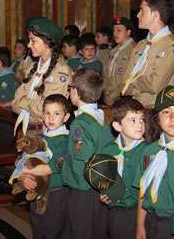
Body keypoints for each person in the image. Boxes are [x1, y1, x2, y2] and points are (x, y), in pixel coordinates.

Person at [134, 85, 174, 239]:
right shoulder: (149, 151)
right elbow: (142, 191)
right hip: (150, 220)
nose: (173, 118)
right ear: (157, 119)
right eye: (166, 112)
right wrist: (140, 225)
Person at [61, 68, 112, 238]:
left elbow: (85, 161)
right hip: (99, 188)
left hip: (83, 187)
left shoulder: (80, 124)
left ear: (74, 92)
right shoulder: (101, 116)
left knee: (82, 231)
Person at [19, 94, 71, 239]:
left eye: (56, 113)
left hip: (56, 193)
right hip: (36, 191)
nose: (51, 118)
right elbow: (24, 161)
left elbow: (53, 167)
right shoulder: (38, 139)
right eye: (47, 113)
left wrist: (24, 170)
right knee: (38, 228)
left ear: (66, 117)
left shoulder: (66, 140)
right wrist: (23, 177)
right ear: (42, 115)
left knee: (54, 231)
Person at [121, 0, 174, 108]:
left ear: (155, 14)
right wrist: (135, 84)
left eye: (142, 11)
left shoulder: (172, 46)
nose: (138, 15)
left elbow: (155, 84)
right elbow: (124, 82)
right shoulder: (141, 45)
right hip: (135, 106)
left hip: (155, 109)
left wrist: (133, 82)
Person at [12, 17, 71, 135]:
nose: (28, 45)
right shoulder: (32, 67)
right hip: (28, 127)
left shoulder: (61, 71)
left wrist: (24, 101)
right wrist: (28, 103)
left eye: (33, 41)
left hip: (46, 131)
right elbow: (15, 103)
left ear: (47, 42)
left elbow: (47, 110)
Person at [99, 98, 147, 239]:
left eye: (142, 119)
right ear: (117, 126)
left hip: (141, 211)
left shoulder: (148, 151)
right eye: (132, 120)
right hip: (117, 213)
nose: (139, 125)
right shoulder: (108, 151)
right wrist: (104, 194)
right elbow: (104, 179)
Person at [103, 17, 136, 106]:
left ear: (128, 32)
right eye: (114, 30)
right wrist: (106, 93)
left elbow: (129, 79)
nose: (115, 33)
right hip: (109, 97)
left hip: (123, 98)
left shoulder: (133, 50)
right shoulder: (114, 51)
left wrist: (113, 96)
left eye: (119, 30)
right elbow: (106, 74)